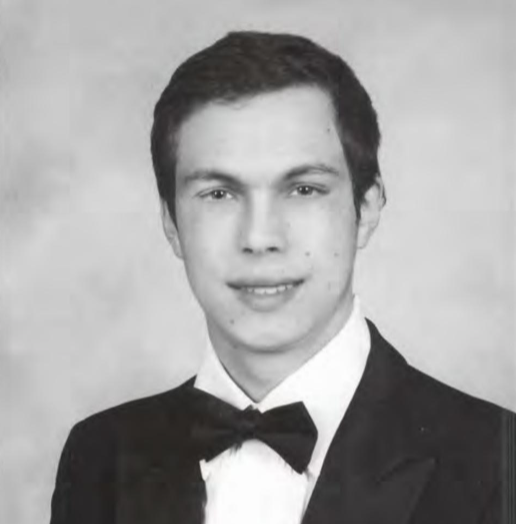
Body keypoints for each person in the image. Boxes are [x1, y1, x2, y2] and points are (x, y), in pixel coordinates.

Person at [50, 31, 514, 524]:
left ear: (367, 208)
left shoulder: (497, 462)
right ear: (171, 223)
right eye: (218, 194)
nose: (260, 237)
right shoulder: (99, 455)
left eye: (303, 189)